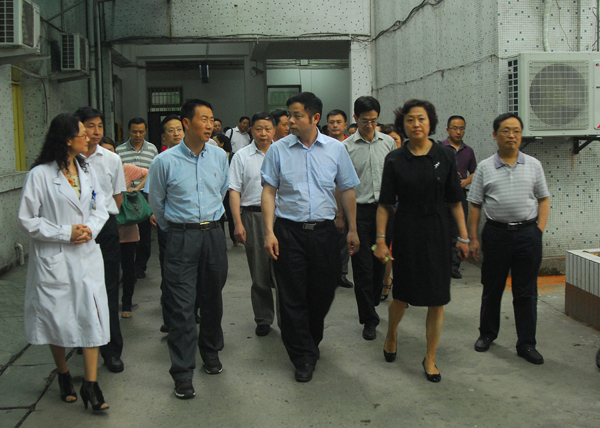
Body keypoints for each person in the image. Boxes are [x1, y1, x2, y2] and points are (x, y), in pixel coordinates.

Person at [261, 92, 360, 383]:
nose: (289, 121)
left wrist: (353, 228)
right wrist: (269, 232)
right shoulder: (278, 150)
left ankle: (309, 341)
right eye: (289, 115)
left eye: (296, 115)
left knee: (323, 292)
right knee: (291, 295)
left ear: (315, 118)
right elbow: (268, 191)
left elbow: (347, 189)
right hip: (289, 232)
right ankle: (302, 355)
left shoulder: (336, 149)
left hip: (325, 233)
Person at [18, 113, 110, 411]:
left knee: (92, 315)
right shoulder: (40, 175)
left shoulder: (86, 169)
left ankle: (91, 385)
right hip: (55, 257)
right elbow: (27, 220)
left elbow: (100, 206)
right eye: (83, 133)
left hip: (86, 254)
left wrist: (89, 229)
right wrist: (65, 232)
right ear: (68, 139)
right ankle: (63, 373)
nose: (90, 136)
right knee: (56, 318)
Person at [374, 99, 468, 383]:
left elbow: (455, 201)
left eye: (421, 119)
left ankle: (430, 357)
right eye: (410, 119)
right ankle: (391, 334)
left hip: (438, 231)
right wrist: (381, 240)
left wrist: (464, 236)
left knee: (437, 299)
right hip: (407, 231)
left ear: (431, 123)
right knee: (401, 296)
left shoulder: (445, 155)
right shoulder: (395, 159)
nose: (416, 124)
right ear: (403, 125)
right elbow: (385, 204)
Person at [147, 99, 229, 399]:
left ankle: (210, 351)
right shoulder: (164, 162)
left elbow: (221, 190)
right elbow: (157, 202)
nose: (209, 125)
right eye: (203, 119)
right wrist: (177, 229)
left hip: (214, 234)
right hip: (181, 237)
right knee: (182, 307)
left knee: (212, 299)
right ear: (186, 123)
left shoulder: (219, 156)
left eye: (211, 119)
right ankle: (182, 373)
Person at [468, 113, 550, 365]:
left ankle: (526, 343)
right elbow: (475, 205)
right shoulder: (484, 167)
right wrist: (473, 238)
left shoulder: (534, 165)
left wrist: (538, 231)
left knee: (526, 292)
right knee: (492, 288)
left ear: (521, 135)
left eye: (516, 131)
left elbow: (544, 199)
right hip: (496, 234)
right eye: (505, 131)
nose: (511, 135)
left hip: (528, 234)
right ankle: (487, 334)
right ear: (495, 135)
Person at [75, 106, 127, 373]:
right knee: (77, 288)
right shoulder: (68, 159)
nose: (96, 132)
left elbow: (117, 196)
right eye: (90, 126)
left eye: (99, 126)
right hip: (75, 231)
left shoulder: (111, 159)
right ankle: (81, 340)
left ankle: (111, 350)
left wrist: (102, 221)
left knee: (108, 288)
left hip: (105, 229)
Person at [341, 97, 395, 340]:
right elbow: (341, 185)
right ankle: (369, 319)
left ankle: (372, 301)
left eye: (374, 120)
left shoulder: (389, 143)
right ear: (355, 118)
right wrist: (342, 217)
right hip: (359, 214)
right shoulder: (346, 147)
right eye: (365, 121)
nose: (370, 125)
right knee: (362, 267)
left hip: (385, 213)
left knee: (379, 262)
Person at [229, 112, 277, 337]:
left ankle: (289, 319)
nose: (263, 133)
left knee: (285, 272)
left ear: (274, 130)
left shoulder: (283, 152)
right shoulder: (241, 156)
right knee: (259, 272)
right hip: (253, 217)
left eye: (267, 128)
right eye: (258, 128)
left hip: (282, 217)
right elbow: (234, 190)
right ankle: (264, 318)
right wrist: (237, 223)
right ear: (251, 130)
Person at [100, 137, 149, 319]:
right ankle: (108, 305)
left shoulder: (124, 168)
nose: (107, 154)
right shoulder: (91, 170)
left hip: (127, 225)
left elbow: (148, 173)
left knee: (128, 268)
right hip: (104, 227)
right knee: (107, 269)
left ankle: (127, 303)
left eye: (111, 150)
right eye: (103, 150)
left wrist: (137, 189)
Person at [115, 118, 158, 279]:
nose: (138, 135)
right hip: (125, 197)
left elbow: (153, 173)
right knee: (126, 232)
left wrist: (140, 188)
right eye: (134, 131)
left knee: (145, 233)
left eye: (141, 131)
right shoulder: (119, 151)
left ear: (145, 131)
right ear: (129, 131)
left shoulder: (152, 149)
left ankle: (140, 267)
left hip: (144, 194)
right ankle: (127, 267)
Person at [442, 116, 477, 279]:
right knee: (442, 229)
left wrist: (466, 181)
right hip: (442, 195)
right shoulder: (440, 148)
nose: (458, 131)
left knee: (458, 229)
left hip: (460, 194)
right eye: (455, 128)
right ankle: (441, 264)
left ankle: (454, 266)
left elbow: (475, 171)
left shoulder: (468, 151)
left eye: (461, 128)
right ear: (447, 129)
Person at [326, 109, 353, 289]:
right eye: (332, 122)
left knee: (345, 241)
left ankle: (341, 274)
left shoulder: (351, 145)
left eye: (338, 122)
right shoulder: (322, 145)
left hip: (348, 199)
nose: (335, 125)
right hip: (327, 201)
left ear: (345, 125)